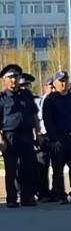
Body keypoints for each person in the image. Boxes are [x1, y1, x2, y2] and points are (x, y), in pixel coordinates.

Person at [42, 71, 71, 204]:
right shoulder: (50, 100)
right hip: (59, 139)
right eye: (60, 81)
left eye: (65, 80)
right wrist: (54, 140)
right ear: (55, 83)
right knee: (58, 169)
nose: (63, 83)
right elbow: (48, 121)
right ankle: (60, 194)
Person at [0, 65, 41, 207]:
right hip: (9, 136)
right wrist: (1, 139)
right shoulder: (2, 98)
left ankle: (27, 197)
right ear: (4, 80)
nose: (13, 80)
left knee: (27, 167)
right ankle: (11, 198)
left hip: (26, 135)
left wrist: (38, 133)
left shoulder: (27, 95)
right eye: (10, 78)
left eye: (15, 77)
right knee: (11, 169)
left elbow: (34, 115)